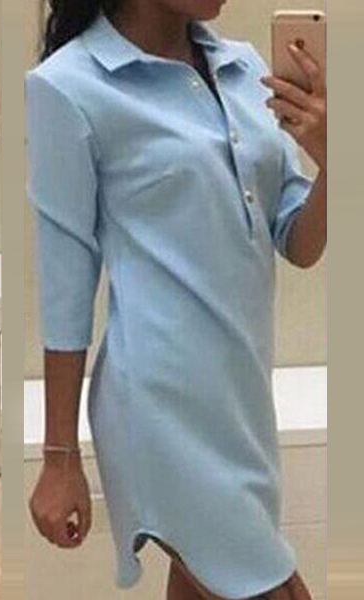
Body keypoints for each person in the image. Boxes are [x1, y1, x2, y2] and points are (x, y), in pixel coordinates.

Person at [25, 1, 326, 599]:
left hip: (241, 403)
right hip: (159, 406)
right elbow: (65, 289)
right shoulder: (67, 86)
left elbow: (299, 241)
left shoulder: (244, 67)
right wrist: (59, 456)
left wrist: (339, 159)